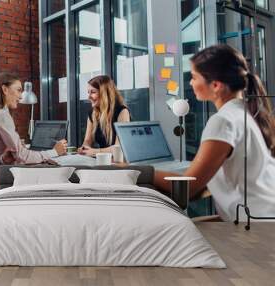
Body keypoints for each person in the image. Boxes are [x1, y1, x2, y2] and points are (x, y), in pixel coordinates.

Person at [154, 44, 275, 221]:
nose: (190, 83)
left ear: (216, 85)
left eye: (194, 77)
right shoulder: (246, 112)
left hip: (258, 225)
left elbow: (190, 187)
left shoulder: (223, 121)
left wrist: (139, 171)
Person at [78, 75, 131, 156]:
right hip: (104, 160)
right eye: (88, 92)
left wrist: (95, 151)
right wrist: (85, 148)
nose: (89, 97)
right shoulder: (92, 113)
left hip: (120, 161)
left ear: (105, 93)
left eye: (93, 92)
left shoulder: (122, 112)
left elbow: (119, 148)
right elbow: (87, 140)